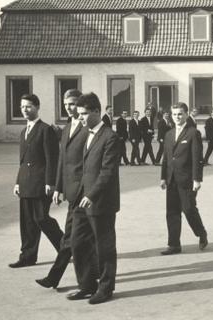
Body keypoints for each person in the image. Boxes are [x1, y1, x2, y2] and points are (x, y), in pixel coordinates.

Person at [68, 92, 119, 304]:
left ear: (97, 112)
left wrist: (91, 194)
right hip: (82, 199)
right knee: (77, 242)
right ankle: (86, 285)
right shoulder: (85, 133)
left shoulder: (111, 137)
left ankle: (105, 289)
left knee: (104, 246)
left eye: (84, 114)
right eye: (79, 114)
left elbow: (107, 172)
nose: (80, 118)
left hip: (101, 201)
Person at [36, 89, 88, 288]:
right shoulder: (66, 129)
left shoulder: (87, 129)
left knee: (71, 237)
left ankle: (55, 277)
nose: (69, 107)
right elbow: (61, 162)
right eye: (66, 104)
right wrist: (58, 188)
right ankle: (97, 272)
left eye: (73, 104)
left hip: (84, 191)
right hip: (72, 191)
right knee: (77, 237)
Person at [10, 93, 63, 268]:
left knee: (41, 218)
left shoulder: (45, 129)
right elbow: (22, 161)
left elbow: (51, 158)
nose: (25, 110)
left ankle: (66, 247)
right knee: (27, 222)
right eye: (22, 107)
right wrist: (18, 182)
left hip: (41, 183)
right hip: (25, 182)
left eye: (29, 106)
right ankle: (27, 256)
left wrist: (50, 182)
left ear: (37, 107)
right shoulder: (23, 132)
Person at [160, 102, 208, 255]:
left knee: (188, 209)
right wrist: (163, 177)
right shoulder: (168, 134)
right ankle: (174, 245)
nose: (177, 117)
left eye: (180, 114)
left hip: (187, 179)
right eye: (174, 114)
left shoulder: (193, 133)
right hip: (171, 179)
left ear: (186, 114)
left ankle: (201, 233)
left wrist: (197, 179)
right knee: (172, 212)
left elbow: (197, 158)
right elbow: (166, 158)